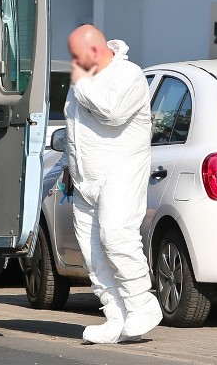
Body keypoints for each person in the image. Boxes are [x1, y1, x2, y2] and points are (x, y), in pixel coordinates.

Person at [64, 24, 162, 344]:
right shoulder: (84, 78)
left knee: (117, 236)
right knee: (93, 254)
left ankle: (142, 305)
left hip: (121, 170)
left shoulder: (129, 75)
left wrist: (81, 82)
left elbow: (112, 112)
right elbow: (75, 127)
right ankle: (115, 315)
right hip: (84, 180)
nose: (73, 62)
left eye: (77, 56)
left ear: (94, 51)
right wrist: (68, 167)